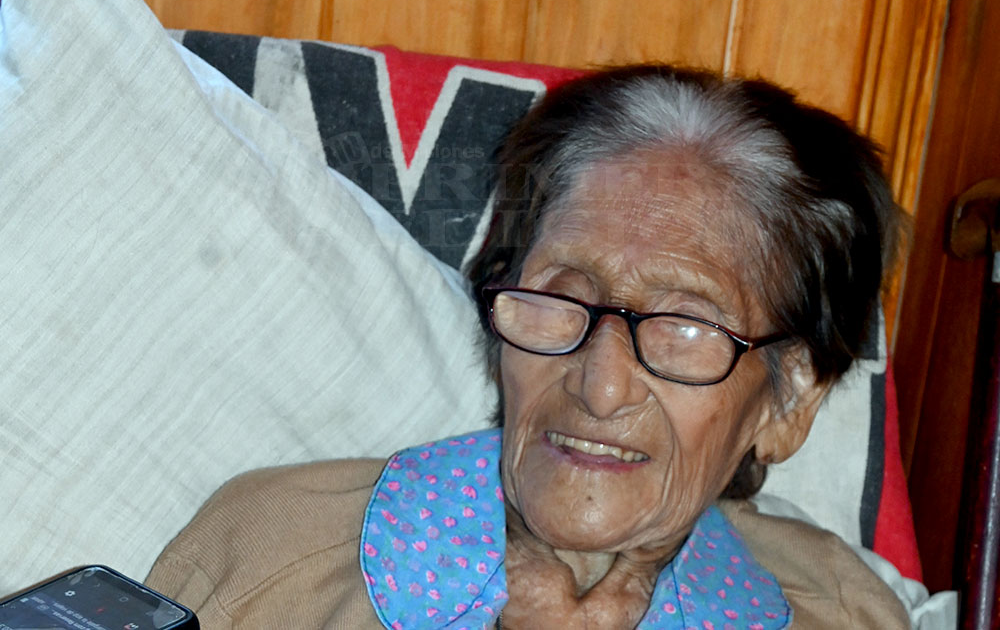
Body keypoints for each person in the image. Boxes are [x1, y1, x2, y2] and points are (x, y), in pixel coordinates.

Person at [145, 65, 910, 628]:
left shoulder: (843, 611)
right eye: (563, 296)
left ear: (788, 400)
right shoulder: (276, 554)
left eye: (685, 327)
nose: (600, 387)